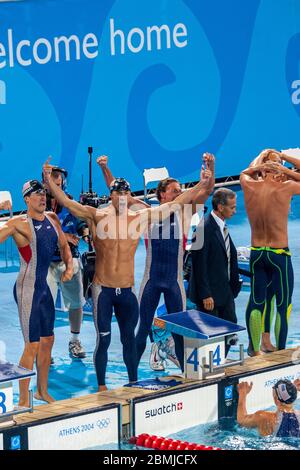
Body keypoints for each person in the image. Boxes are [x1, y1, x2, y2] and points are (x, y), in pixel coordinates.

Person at [43, 156, 213, 391]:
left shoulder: (139, 217)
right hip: (104, 288)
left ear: (128, 196)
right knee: (104, 339)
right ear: (111, 195)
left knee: (128, 341)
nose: (121, 198)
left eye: (125, 194)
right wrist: (49, 182)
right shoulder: (97, 215)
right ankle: (102, 386)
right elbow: (68, 203)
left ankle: (133, 382)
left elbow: (175, 203)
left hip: (128, 290)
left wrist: (201, 183)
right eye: (117, 194)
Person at [97, 154, 215, 372]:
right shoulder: (145, 212)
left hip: (174, 283)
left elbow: (206, 190)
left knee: (180, 331)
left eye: (180, 190)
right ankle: (132, 380)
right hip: (151, 282)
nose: (179, 193)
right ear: (161, 194)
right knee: (141, 331)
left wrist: (211, 168)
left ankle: (186, 376)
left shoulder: (185, 212)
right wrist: (105, 168)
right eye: (174, 190)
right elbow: (118, 193)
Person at [0, 180, 73, 406]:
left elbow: (64, 245)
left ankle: (42, 391)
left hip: (44, 288)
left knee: (48, 340)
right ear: (27, 199)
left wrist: (69, 266)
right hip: (27, 289)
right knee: (31, 344)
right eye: (37, 194)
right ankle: (23, 399)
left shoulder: (52, 219)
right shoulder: (17, 224)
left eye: (43, 193)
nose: (42, 197)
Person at [240, 149, 300, 356]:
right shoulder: (286, 187)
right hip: (278, 254)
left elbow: (245, 172)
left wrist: (262, 158)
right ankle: (281, 352)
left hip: (257, 254)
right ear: (274, 170)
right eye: (278, 167)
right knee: (283, 305)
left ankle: (254, 348)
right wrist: (284, 162)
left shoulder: (248, 185)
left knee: (257, 301)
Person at [188, 188, 241, 356]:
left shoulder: (222, 226)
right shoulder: (204, 228)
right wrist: (205, 294)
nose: (235, 211)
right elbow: (199, 265)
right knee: (212, 336)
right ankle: (210, 369)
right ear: (220, 206)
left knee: (230, 329)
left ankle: (219, 365)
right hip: (210, 296)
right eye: (232, 207)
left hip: (225, 292)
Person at [45, 165, 89, 359]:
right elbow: (41, 227)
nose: (57, 180)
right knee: (45, 305)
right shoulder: (39, 201)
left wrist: (85, 233)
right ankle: (45, 346)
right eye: (52, 176)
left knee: (76, 303)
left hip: (70, 260)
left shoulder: (70, 201)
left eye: (59, 177)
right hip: (46, 263)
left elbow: (81, 221)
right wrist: (64, 236)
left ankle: (75, 340)